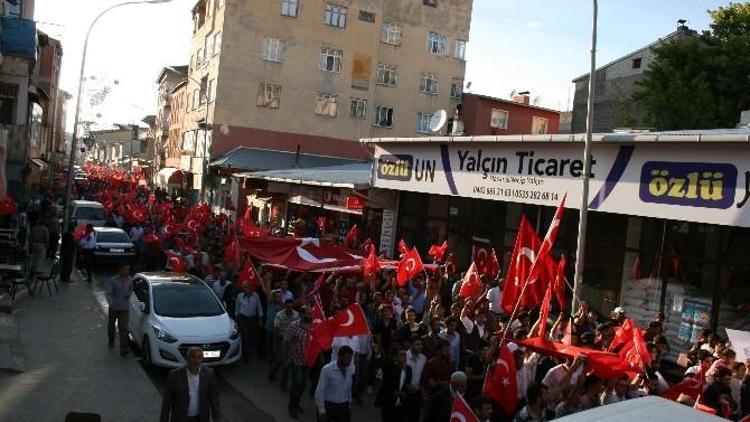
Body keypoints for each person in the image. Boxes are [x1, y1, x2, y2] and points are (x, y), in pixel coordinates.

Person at [160, 346, 222, 422]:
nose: (196, 360)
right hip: (180, 418)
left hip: (200, 418)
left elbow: (214, 398)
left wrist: (217, 418)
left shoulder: (209, 374)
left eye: (199, 357)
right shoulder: (174, 375)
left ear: (202, 359)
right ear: (187, 358)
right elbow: (167, 402)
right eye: (193, 357)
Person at [283, 305, 312, 419]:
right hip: (296, 361)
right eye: (308, 313)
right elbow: (285, 342)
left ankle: (297, 403)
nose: (310, 316)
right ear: (302, 314)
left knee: (303, 385)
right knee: (296, 386)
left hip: (307, 362)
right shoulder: (294, 326)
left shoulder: (313, 326)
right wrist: (285, 360)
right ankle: (292, 407)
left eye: (311, 313)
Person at [374, 348, 417, 422]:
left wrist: (408, 389)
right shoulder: (390, 368)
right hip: (389, 403)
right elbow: (386, 386)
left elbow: (406, 384)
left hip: (401, 404)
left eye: (404, 355)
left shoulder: (408, 369)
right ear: (395, 357)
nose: (403, 357)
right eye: (401, 355)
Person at [315, 345, 355, 422]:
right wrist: (321, 410)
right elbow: (320, 391)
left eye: (351, 358)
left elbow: (348, 389)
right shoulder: (327, 370)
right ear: (340, 357)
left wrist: (349, 404)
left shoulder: (350, 370)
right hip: (329, 405)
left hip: (344, 406)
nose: (350, 361)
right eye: (348, 358)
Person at [105, 263, 133, 356]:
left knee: (123, 328)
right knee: (111, 325)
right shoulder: (113, 280)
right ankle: (111, 340)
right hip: (114, 307)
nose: (127, 271)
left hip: (124, 308)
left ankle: (123, 348)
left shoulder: (130, 280)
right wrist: (111, 303)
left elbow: (131, 290)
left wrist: (129, 294)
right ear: (120, 270)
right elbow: (109, 293)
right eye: (125, 269)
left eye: (128, 269)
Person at [270, 299, 299, 387]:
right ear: (285, 306)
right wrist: (275, 345)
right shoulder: (279, 315)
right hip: (281, 340)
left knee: (286, 362)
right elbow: (276, 330)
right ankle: (275, 376)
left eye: (291, 306)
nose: (289, 308)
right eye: (287, 306)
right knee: (281, 360)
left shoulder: (296, 315)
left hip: (291, 340)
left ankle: (283, 382)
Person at [235, 285, 264, 363]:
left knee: (252, 335)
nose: (248, 289)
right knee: (245, 336)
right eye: (246, 288)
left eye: (250, 288)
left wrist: (260, 319)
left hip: (252, 318)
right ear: (244, 289)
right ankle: (245, 356)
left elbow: (259, 307)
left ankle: (252, 352)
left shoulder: (256, 295)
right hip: (242, 318)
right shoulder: (240, 296)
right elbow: (237, 308)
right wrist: (237, 319)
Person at [27, 215, 49, 281]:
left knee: (33, 259)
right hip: (41, 245)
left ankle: (32, 273)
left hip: (34, 244)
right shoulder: (45, 229)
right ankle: (32, 274)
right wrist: (47, 246)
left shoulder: (34, 228)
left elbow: (30, 237)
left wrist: (31, 244)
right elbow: (47, 239)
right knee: (37, 261)